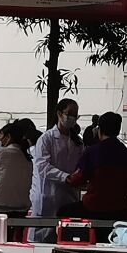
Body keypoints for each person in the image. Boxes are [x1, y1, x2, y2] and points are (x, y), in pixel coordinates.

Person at [67, 111, 127, 221]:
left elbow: (78, 179)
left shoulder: (92, 152)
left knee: (62, 211)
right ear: (118, 130)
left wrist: (67, 179)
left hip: (93, 207)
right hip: (120, 209)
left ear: (100, 130)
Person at [30, 98, 83, 240]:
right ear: (59, 114)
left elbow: (80, 165)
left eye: (75, 115)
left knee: (64, 237)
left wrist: (75, 177)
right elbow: (42, 166)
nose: (72, 118)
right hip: (48, 195)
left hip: (69, 196)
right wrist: (65, 177)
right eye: (69, 114)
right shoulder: (46, 139)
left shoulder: (77, 142)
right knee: (42, 239)